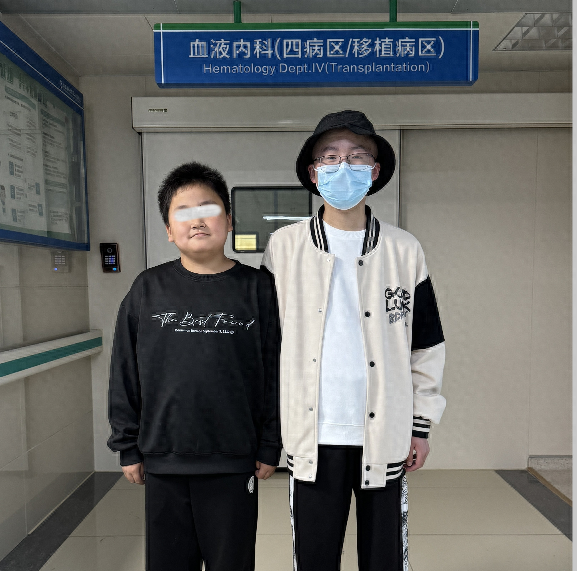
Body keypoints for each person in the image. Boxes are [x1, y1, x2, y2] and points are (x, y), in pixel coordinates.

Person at [261, 110, 446, 571]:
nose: (343, 166)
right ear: (313, 172)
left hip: (384, 433)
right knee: (315, 557)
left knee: (384, 559)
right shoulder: (284, 247)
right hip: (313, 435)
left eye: (357, 157)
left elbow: (426, 344)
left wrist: (420, 426)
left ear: (375, 171)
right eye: (331, 157)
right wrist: (265, 432)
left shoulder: (404, 250)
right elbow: (265, 347)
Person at [107, 162, 281, 571]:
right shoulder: (147, 289)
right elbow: (124, 371)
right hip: (163, 459)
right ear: (169, 230)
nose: (198, 220)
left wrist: (271, 442)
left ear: (229, 221)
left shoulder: (259, 289)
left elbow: (276, 372)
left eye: (209, 209)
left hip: (233, 459)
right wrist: (127, 445)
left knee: (231, 562)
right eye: (183, 212)